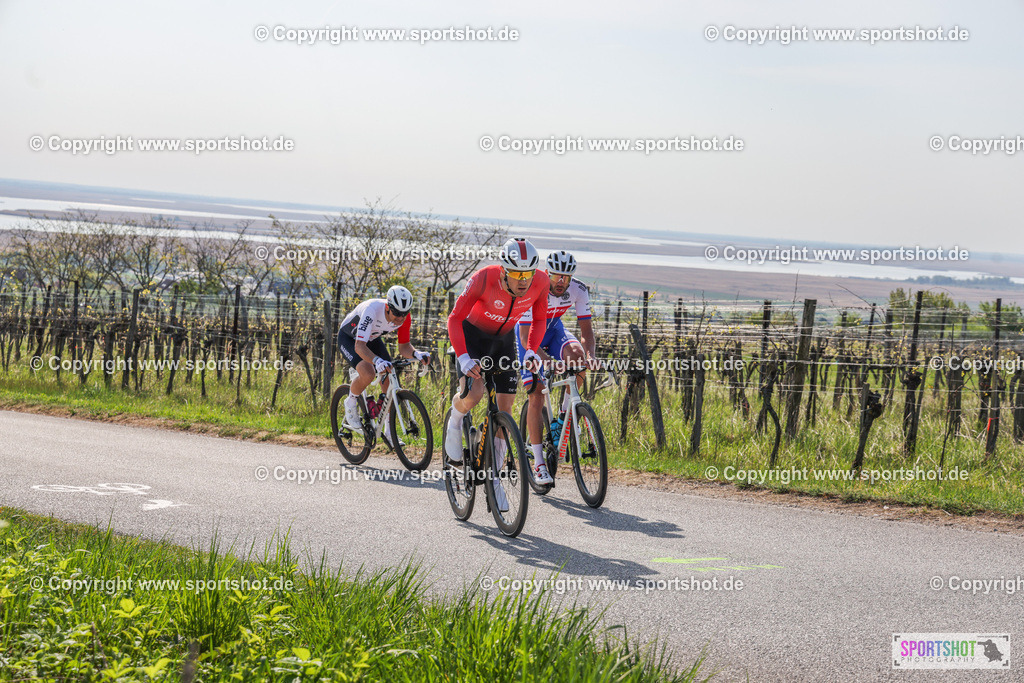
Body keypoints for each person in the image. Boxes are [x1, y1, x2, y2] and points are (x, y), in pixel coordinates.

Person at [445, 237, 549, 511]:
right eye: (516, 274)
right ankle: (456, 419)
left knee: (505, 412)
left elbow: (539, 319)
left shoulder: (541, 282)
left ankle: (493, 479)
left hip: (503, 340)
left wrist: (531, 350)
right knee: (476, 392)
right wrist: (464, 357)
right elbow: (454, 319)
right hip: (472, 337)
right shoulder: (483, 279)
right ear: (504, 271)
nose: (524, 280)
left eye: (527, 274)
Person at [517, 250, 599, 483]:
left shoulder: (578, 290)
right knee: (537, 394)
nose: (561, 281)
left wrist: (591, 355)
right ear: (547, 273)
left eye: (566, 276)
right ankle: (539, 464)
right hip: (529, 336)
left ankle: (563, 417)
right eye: (556, 276)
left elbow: (586, 332)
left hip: (553, 330)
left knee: (578, 357)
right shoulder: (532, 288)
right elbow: (525, 338)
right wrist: (547, 361)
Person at [337, 285, 431, 447]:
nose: (401, 318)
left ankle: (389, 431)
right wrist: (377, 361)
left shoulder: (403, 317)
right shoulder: (372, 310)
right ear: (387, 307)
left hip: (371, 340)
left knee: (389, 374)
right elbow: (359, 347)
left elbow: (404, 347)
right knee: (368, 372)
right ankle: (351, 403)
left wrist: (417, 354)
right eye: (397, 313)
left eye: (405, 313)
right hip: (350, 339)